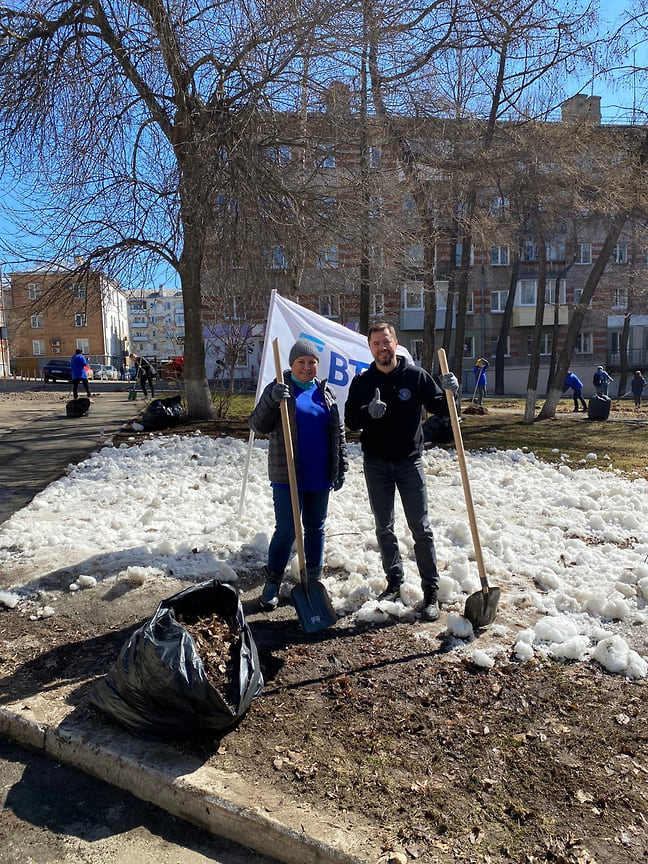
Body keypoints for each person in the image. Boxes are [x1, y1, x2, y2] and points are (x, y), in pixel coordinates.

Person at [344, 322, 458, 622]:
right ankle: (394, 582)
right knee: (384, 527)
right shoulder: (363, 382)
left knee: (421, 528)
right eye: (376, 344)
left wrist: (451, 392)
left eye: (387, 342)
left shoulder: (416, 377)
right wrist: (368, 411)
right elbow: (350, 421)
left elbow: (445, 411)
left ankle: (431, 591)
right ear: (370, 348)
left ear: (396, 343)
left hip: (410, 462)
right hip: (376, 464)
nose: (382, 348)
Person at [248, 339, 348, 611]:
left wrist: (341, 467)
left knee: (316, 529)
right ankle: (272, 583)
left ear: (317, 364)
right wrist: (271, 398)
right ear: (291, 365)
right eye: (300, 362)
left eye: (311, 362)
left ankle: (312, 580)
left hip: (320, 475)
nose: (306, 367)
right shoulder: (279, 389)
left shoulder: (325, 392)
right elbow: (257, 425)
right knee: (287, 530)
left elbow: (337, 432)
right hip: (287, 474)